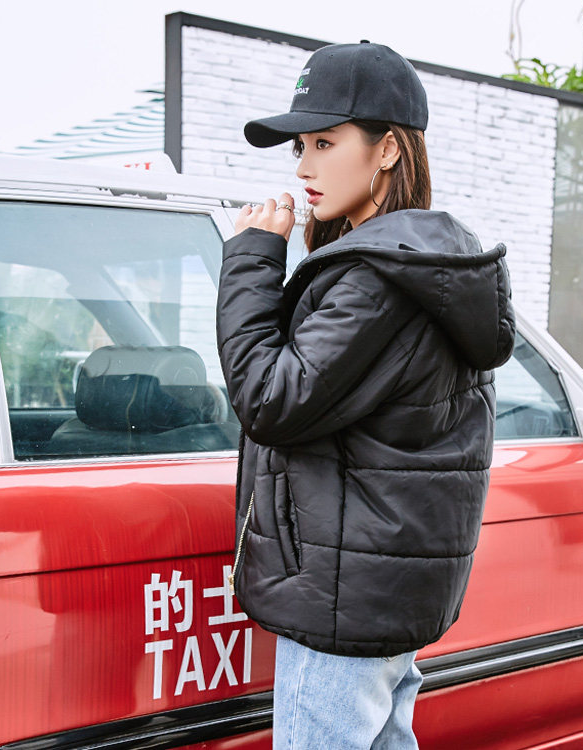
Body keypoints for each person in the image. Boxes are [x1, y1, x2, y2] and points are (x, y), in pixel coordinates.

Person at [216, 40, 515, 749]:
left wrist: (252, 259)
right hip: (370, 586)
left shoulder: (376, 278)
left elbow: (270, 401)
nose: (303, 167)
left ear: (388, 150)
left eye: (325, 143)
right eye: (300, 147)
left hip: (342, 595)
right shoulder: (420, 265)